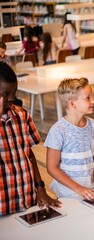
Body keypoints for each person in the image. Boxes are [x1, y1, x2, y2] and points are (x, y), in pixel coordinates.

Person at [0, 62, 61, 216]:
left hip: (27, 200)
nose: (11, 98)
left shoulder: (22, 115)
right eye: (5, 94)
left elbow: (28, 154)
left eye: (14, 92)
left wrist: (40, 188)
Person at [44, 78, 94, 200]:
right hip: (67, 192)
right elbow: (52, 168)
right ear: (72, 104)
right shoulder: (58, 130)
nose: (93, 101)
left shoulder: (93, 125)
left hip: (90, 189)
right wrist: (78, 188)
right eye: (87, 98)